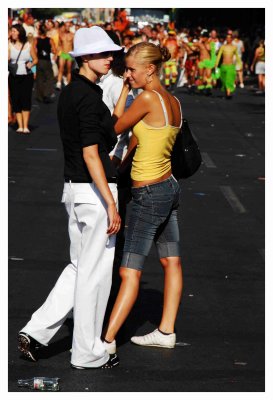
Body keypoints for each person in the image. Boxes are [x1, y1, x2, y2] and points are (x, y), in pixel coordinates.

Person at [17, 26, 123, 370]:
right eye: (105, 53)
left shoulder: (74, 93)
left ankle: (35, 331)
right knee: (95, 275)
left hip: (74, 190)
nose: (112, 58)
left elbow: (109, 130)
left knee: (80, 267)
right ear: (86, 57)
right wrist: (109, 202)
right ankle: (87, 353)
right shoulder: (89, 97)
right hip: (94, 191)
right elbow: (93, 152)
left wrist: (124, 94)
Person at [102, 42, 183, 354]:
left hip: (148, 194)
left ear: (150, 69)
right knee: (171, 261)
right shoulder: (172, 101)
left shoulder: (147, 98)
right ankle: (166, 330)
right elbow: (140, 135)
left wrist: (123, 93)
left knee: (129, 270)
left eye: (132, 69)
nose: (127, 74)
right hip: (169, 187)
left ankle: (106, 342)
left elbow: (114, 128)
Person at [8, 24, 38, 133]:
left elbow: (35, 59)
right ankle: (20, 126)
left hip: (27, 75)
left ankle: (26, 126)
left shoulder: (28, 44)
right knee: (16, 99)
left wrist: (31, 64)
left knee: (26, 99)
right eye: (12, 31)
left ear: (20, 32)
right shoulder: (9, 44)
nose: (12, 33)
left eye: (14, 31)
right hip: (14, 75)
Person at [34, 23, 57, 103]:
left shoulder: (36, 40)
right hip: (47, 61)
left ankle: (40, 96)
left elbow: (34, 51)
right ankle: (47, 94)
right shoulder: (50, 40)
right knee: (49, 78)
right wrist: (51, 52)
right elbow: (54, 50)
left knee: (39, 79)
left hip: (39, 61)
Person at [215, 33, 242, 99]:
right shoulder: (222, 47)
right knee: (223, 80)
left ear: (231, 39)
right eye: (227, 38)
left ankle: (228, 94)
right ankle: (227, 92)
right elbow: (219, 56)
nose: (228, 39)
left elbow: (237, 57)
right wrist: (216, 64)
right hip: (223, 66)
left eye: (229, 38)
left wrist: (240, 64)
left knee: (229, 80)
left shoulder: (234, 47)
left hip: (231, 66)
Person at [56, 21, 74, 89]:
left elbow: (74, 46)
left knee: (69, 70)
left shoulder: (72, 35)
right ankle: (59, 83)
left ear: (70, 26)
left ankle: (67, 84)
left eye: (68, 26)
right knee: (61, 68)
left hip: (69, 54)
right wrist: (56, 54)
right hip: (63, 53)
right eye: (66, 26)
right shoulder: (61, 35)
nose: (67, 27)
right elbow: (59, 45)